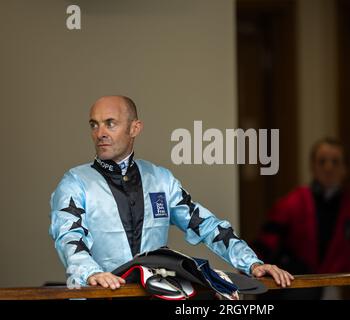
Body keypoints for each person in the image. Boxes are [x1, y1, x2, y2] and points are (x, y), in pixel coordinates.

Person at [49, 95, 293, 290]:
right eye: (94, 124)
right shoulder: (75, 181)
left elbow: (205, 225)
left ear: (135, 128)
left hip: (156, 295)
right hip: (101, 296)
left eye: (110, 123)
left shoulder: (160, 179)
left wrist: (252, 263)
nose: (100, 132)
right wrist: (90, 272)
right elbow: (68, 236)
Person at [253, 137, 350, 299]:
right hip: (294, 287)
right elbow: (264, 246)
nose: (328, 167)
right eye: (322, 161)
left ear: (345, 169)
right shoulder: (290, 204)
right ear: (312, 166)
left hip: (332, 287)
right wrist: (249, 274)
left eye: (335, 162)